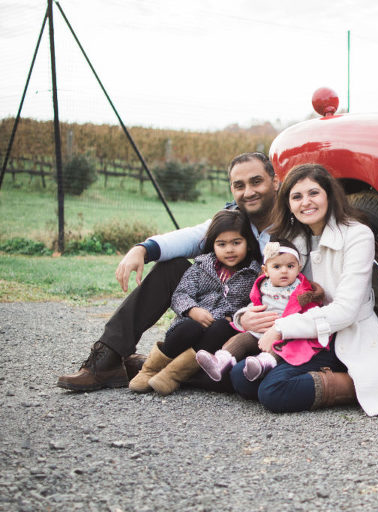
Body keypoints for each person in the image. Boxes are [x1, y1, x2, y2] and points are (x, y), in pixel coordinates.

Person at [57, 152, 281, 391]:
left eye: (256, 181)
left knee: (241, 378)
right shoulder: (233, 219)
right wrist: (143, 249)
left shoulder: (292, 224)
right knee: (171, 268)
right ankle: (108, 358)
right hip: (216, 315)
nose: (248, 192)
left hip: (261, 322)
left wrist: (247, 318)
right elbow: (192, 237)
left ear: (275, 182)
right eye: (239, 185)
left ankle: (162, 366)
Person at [229, 163, 378, 416]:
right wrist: (244, 317)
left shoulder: (357, 235)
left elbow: (345, 311)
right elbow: (273, 289)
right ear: (288, 204)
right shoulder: (291, 239)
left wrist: (281, 328)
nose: (306, 202)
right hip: (304, 336)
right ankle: (337, 378)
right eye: (297, 196)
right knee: (240, 378)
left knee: (273, 391)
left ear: (329, 195)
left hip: (343, 334)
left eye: (314, 193)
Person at [127, 209, 260, 395]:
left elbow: (252, 304)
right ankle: (151, 369)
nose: (229, 249)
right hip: (191, 322)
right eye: (221, 244)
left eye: (236, 243)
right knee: (189, 328)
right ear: (213, 245)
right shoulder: (201, 267)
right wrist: (192, 310)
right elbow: (180, 294)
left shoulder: (253, 274)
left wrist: (235, 318)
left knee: (221, 329)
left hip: (220, 330)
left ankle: (174, 375)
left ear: (249, 244)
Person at [195, 239, 325, 382]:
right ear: (266, 271)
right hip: (259, 331)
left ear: (298, 268)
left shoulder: (303, 291)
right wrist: (243, 316)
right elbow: (254, 305)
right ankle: (220, 361)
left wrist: (288, 329)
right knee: (241, 339)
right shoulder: (263, 286)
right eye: (276, 266)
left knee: (280, 349)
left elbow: (309, 314)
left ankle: (263, 364)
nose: (284, 271)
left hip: (287, 335)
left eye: (290, 266)